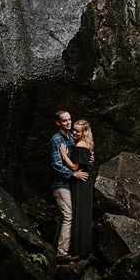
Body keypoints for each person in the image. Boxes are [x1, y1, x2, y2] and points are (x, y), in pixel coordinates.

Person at [49, 110, 88, 263]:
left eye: (69, 119)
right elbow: (56, 165)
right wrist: (73, 174)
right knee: (68, 215)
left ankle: (56, 249)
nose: (68, 123)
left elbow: (80, 153)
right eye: (64, 121)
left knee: (64, 217)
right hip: (60, 184)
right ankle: (61, 252)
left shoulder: (72, 137)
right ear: (58, 123)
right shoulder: (56, 140)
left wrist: (89, 156)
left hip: (71, 185)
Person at [61, 119, 95, 258]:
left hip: (80, 181)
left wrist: (64, 156)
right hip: (86, 181)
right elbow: (89, 162)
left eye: (77, 131)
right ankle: (84, 249)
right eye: (73, 129)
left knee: (79, 213)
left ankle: (77, 250)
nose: (73, 132)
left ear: (83, 133)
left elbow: (75, 167)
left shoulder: (80, 145)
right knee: (84, 214)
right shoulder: (88, 144)